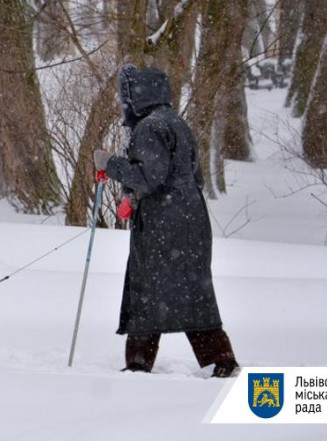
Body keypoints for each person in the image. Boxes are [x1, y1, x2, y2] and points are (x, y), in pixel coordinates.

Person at [93, 65, 239, 378]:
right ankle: (221, 360)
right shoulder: (177, 124)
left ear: (136, 96)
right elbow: (194, 178)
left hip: (163, 227)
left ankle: (138, 364)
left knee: (147, 290)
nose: (124, 103)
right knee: (193, 292)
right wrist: (136, 197)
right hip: (191, 221)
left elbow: (150, 177)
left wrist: (111, 164)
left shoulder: (149, 127)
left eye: (126, 96)